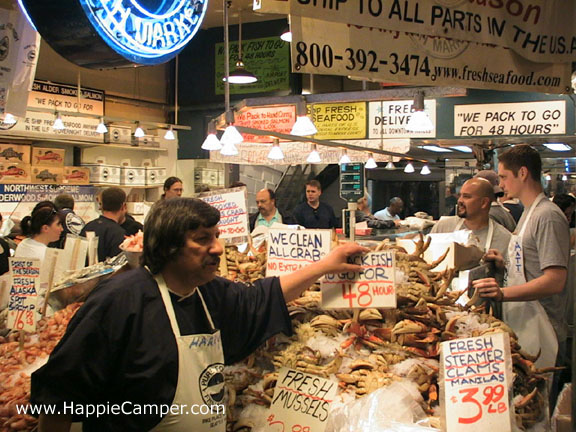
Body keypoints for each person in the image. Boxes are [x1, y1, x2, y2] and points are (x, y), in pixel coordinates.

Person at [31, 197, 367, 431]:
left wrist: (326, 265)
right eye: (203, 239)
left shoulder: (207, 292)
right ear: (168, 247)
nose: (218, 248)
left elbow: (262, 298)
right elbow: (60, 395)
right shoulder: (119, 301)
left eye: (217, 237)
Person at [474, 145, 570, 371]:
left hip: (545, 326)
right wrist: (505, 263)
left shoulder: (547, 216)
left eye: (504, 177)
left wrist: (502, 293)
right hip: (526, 323)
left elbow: (555, 280)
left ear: (523, 173)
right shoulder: (529, 212)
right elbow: (534, 265)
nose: (502, 184)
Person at [431, 178, 511, 281]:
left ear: (484, 203)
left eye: (466, 197)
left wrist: (500, 270)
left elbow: (509, 281)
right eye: (460, 195)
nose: (460, 200)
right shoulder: (442, 228)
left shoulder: (504, 238)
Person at [81, 187, 127, 262]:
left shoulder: (87, 227)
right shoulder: (118, 233)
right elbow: (119, 267)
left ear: (101, 206)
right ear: (123, 206)